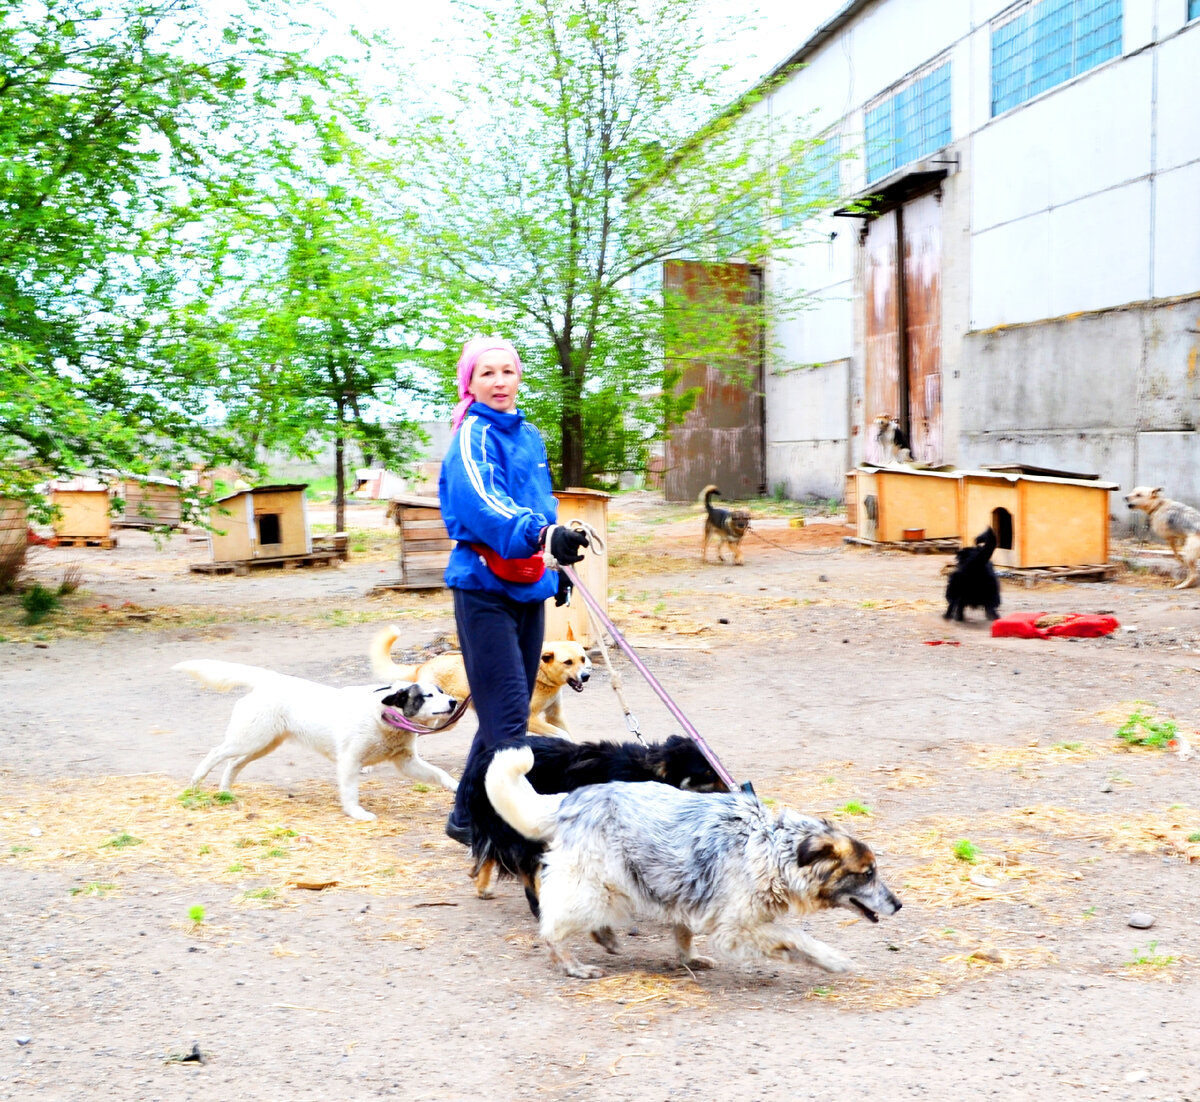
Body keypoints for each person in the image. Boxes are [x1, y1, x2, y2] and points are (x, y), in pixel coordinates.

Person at [438, 336, 589, 845]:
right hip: (483, 586)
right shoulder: (472, 436)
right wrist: (540, 535)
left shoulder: (529, 435)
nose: (499, 382)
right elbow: (485, 502)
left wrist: (555, 568)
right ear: (470, 384)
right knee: (508, 720)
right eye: (487, 374)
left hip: (526, 583)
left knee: (511, 707)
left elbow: (540, 506)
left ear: (519, 377)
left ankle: (465, 815)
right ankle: (517, 833)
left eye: (508, 371)